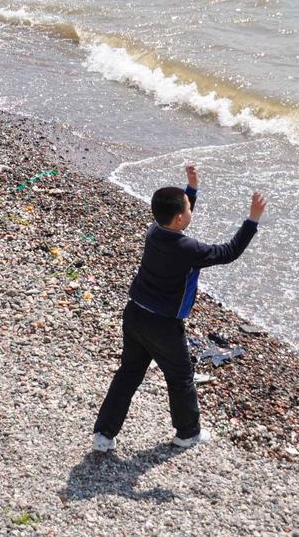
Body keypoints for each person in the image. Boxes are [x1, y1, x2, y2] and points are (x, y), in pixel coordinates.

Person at [91, 164, 267, 452]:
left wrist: (192, 189)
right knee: (180, 376)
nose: (190, 212)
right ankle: (187, 433)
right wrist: (252, 220)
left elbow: (176, 219)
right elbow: (229, 252)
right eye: (188, 208)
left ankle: (104, 435)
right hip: (163, 325)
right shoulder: (188, 249)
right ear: (177, 218)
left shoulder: (154, 231)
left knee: (129, 373)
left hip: (135, 313)